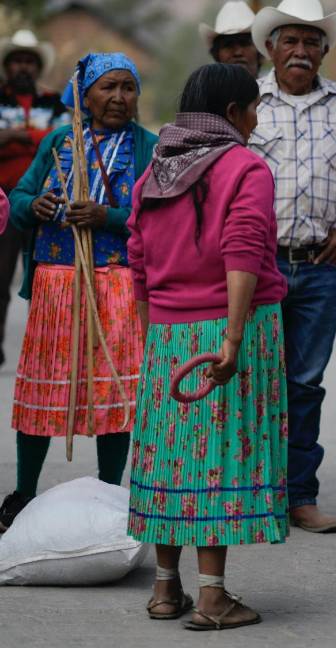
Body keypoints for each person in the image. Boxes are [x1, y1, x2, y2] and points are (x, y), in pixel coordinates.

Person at [126, 63, 287, 631]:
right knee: (216, 459)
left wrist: (155, 339)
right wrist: (234, 339)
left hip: (167, 335)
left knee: (172, 457)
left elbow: (138, 264)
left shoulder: (155, 172)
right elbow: (242, 252)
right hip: (230, 327)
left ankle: (166, 591)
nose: (257, 119)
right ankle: (214, 598)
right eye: (254, 109)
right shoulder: (245, 166)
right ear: (232, 115)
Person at [0, 53, 157, 532]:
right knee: (43, 388)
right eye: (107, 87)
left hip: (116, 284)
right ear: (85, 95)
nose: (118, 98)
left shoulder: (149, 147)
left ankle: (110, 488)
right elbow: (18, 201)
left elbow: (153, 215)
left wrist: (108, 217)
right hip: (55, 282)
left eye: (128, 88)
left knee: (113, 389)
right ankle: (24, 492)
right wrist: (37, 204)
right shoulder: (57, 142)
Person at [248, 0, 336, 533]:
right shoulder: (249, 101)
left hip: (320, 266)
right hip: (259, 266)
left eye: (311, 42)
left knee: (305, 382)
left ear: (325, 50)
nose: (301, 51)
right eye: (290, 41)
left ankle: (299, 495)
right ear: (271, 49)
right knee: (257, 380)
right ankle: (254, 492)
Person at [0, 30, 68, 368]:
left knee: (40, 276)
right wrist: (35, 139)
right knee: (0, 277)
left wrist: (13, 136)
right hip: (2, 203)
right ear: (7, 67)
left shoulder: (54, 101)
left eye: (29, 62)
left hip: (45, 202)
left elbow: (62, 139)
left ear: (37, 66)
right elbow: (48, 139)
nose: (23, 68)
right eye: (17, 62)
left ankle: (39, 351)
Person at [200, 1, 263, 78]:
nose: (238, 53)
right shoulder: (206, 90)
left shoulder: (275, 89)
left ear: (260, 50)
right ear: (217, 55)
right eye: (228, 45)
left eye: (244, 43)